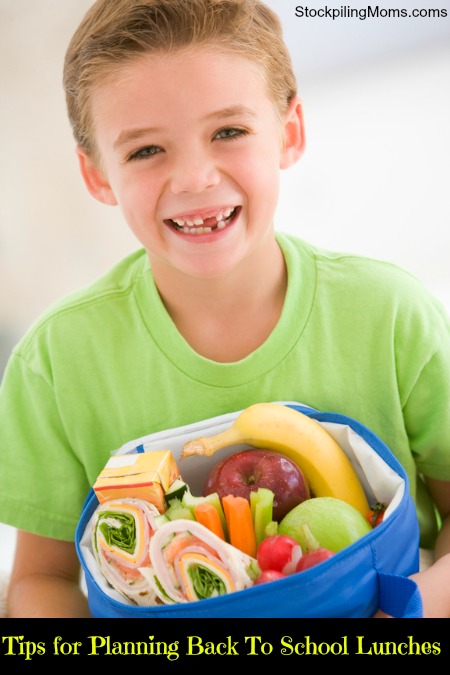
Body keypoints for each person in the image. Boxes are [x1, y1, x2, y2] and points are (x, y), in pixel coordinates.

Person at [0, 0, 449, 619]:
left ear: (289, 132)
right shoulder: (54, 364)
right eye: (145, 151)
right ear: (98, 174)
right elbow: (40, 580)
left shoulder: (393, 316)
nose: (193, 177)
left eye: (229, 132)